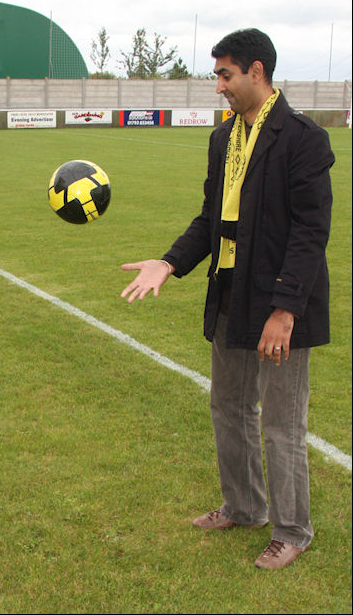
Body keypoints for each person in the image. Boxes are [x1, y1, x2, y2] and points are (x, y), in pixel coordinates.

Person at [121, 28, 334, 569]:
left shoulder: (303, 138)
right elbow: (210, 220)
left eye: (225, 75)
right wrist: (168, 263)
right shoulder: (223, 138)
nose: (219, 86)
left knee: (281, 421)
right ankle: (243, 507)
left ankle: (292, 530)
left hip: (279, 299)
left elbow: (311, 231)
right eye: (218, 75)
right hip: (230, 294)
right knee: (228, 407)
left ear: (256, 71)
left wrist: (285, 311)